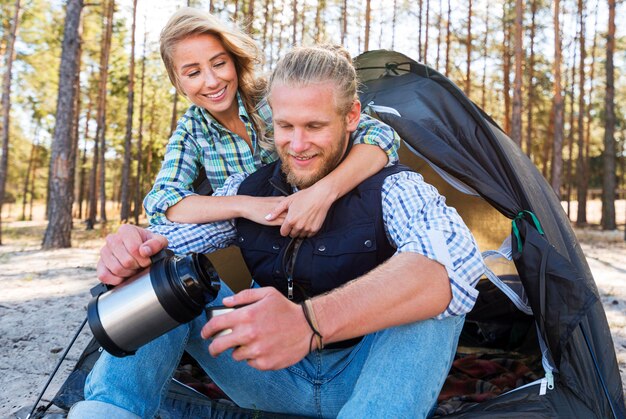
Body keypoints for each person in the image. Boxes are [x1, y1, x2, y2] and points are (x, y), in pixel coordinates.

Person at [71, 46, 484, 419]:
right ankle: (110, 409)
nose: (298, 144)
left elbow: (458, 262)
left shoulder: (394, 187)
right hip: (268, 376)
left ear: (352, 117)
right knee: (163, 273)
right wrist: (135, 248)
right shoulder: (250, 189)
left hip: (365, 380)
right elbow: (168, 239)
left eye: (315, 126)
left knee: (436, 291)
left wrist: (310, 321)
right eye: (286, 127)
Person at [143, 8, 401, 239]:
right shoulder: (192, 130)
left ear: (234, 60)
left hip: (335, 221)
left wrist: (322, 193)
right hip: (265, 243)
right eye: (193, 73)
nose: (211, 81)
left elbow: (379, 135)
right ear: (178, 82)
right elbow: (162, 200)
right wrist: (245, 205)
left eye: (219, 64)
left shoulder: (274, 98)